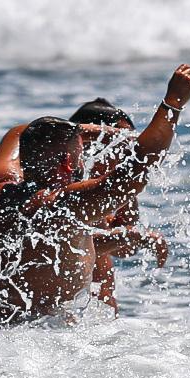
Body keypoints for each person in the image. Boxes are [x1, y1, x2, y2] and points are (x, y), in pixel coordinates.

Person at [0, 64, 190, 326]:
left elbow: (20, 131)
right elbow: (142, 163)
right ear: (69, 164)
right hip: (38, 343)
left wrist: (88, 133)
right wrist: (173, 103)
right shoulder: (65, 205)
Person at [68, 99, 158, 312]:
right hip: (64, 329)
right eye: (119, 141)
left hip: (97, 330)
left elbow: (125, 250)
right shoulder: (68, 191)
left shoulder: (106, 193)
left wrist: (127, 192)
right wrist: (135, 236)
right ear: (89, 144)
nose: (129, 152)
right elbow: (73, 246)